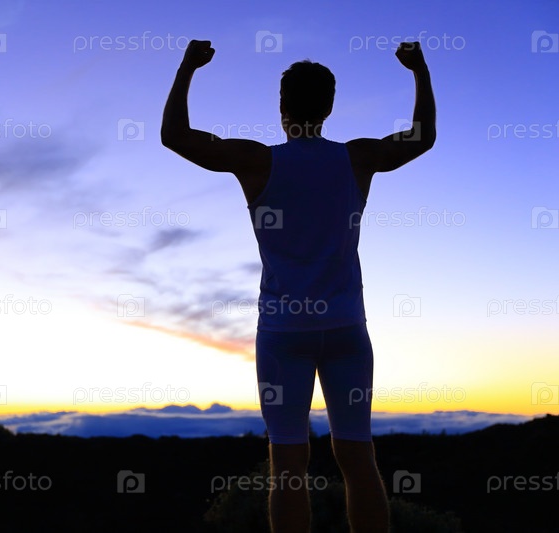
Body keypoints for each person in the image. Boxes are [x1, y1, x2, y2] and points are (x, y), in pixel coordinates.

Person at [161, 39, 436, 533]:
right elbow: (422, 137)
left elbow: (175, 135)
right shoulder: (357, 158)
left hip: (283, 333)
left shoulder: (257, 161)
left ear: (282, 106)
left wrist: (188, 66)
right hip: (347, 330)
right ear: (330, 107)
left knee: (287, 466)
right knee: (358, 457)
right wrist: (418, 70)